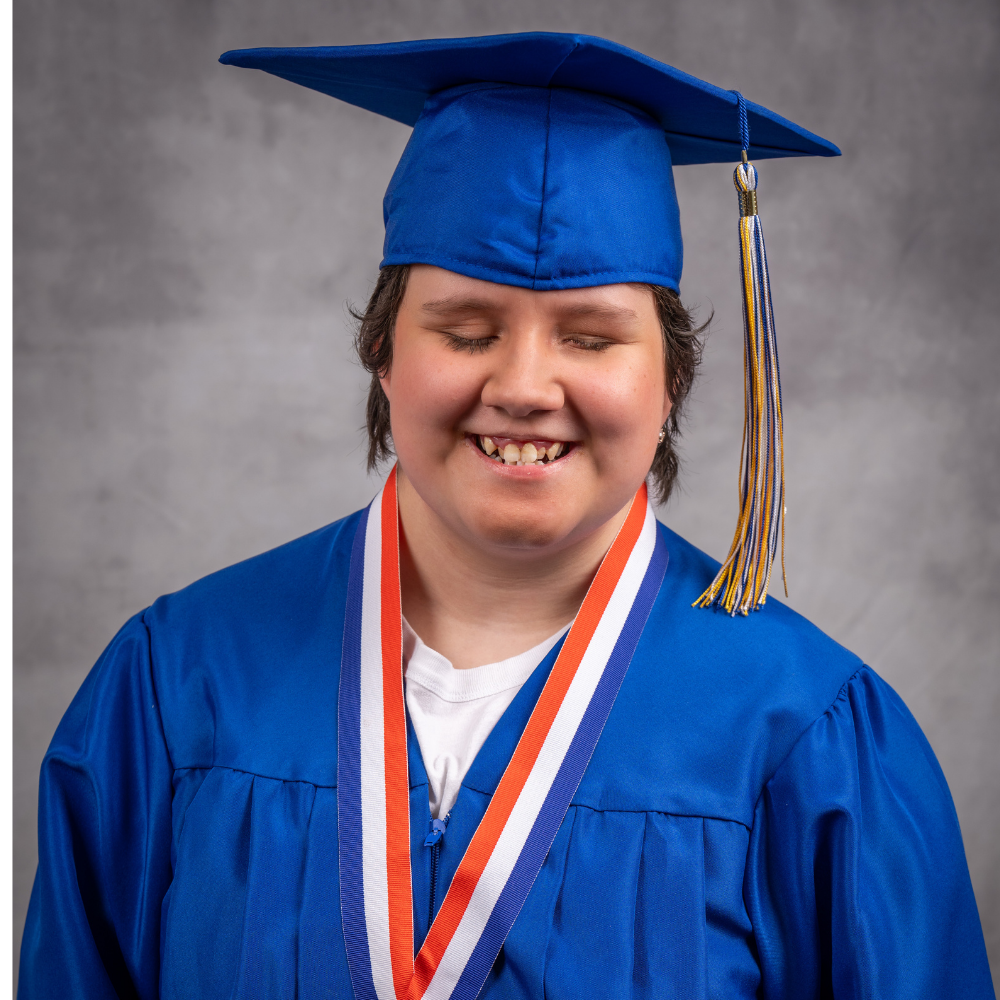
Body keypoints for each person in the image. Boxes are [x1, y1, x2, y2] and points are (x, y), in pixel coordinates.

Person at [19, 32, 994, 1000]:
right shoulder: (175, 687)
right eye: (466, 329)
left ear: (670, 380)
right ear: (383, 355)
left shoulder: (811, 740)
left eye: (590, 335)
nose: (525, 387)